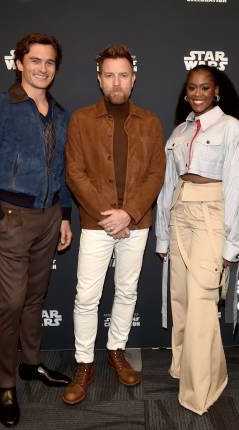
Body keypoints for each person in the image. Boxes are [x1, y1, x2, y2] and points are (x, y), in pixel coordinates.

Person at [0, 32, 72, 428]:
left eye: (49, 62)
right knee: (11, 302)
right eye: (35, 61)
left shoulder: (60, 115)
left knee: (33, 298)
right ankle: (6, 383)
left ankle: (31, 365)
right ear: (19, 63)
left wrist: (64, 216)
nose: (42, 68)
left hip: (48, 219)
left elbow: (60, 172)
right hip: (11, 217)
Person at [63, 44, 165, 405]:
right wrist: (110, 215)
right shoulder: (80, 120)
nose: (116, 81)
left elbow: (156, 174)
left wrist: (129, 213)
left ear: (133, 79)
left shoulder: (151, 122)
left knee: (126, 292)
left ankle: (116, 351)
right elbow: (74, 173)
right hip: (96, 223)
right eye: (109, 75)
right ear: (99, 79)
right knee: (86, 297)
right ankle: (84, 363)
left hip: (136, 224)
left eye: (123, 75)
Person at [155, 65, 239, 415]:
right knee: (181, 298)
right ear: (186, 93)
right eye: (192, 88)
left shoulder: (230, 128)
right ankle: (184, 369)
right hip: (181, 214)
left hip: (213, 218)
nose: (197, 94)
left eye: (204, 88)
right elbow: (170, 184)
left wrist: (232, 243)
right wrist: (163, 234)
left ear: (217, 92)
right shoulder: (180, 131)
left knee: (201, 301)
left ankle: (203, 387)